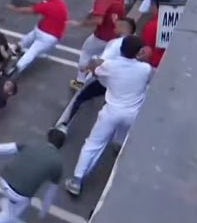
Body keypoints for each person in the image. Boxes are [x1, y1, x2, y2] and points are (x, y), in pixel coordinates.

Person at [65, 35, 153, 196]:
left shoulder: (110, 66)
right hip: (133, 113)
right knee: (123, 136)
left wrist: (96, 62)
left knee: (93, 144)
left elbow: (93, 68)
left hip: (112, 111)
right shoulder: (145, 69)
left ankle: (77, 180)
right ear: (138, 52)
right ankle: (118, 146)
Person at [48, 17, 137, 145]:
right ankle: (118, 140)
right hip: (120, 84)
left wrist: (86, 67)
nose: (114, 28)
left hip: (103, 80)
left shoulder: (115, 44)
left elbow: (99, 62)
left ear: (124, 28)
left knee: (79, 98)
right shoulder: (135, 44)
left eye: (117, 26)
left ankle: (62, 126)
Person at [0, 136, 63, 223]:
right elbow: (51, 193)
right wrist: (43, 211)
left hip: (3, 180)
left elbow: (9, 147)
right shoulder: (57, 163)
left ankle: (9, 206)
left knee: (22, 205)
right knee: (10, 216)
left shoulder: (34, 143)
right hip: (19, 195)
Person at [69, 0, 125, 89]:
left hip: (102, 36)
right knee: (106, 59)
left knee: (86, 52)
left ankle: (80, 81)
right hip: (116, 35)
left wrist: (80, 24)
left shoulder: (102, 1)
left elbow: (98, 20)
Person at [6, 0, 69, 77]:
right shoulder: (61, 3)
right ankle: (18, 47)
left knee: (32, 51)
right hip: (52, 36)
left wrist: (15, 9)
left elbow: (30, 10)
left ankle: (16, 67)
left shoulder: (45, 4)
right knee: (31, 36)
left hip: (44, 35)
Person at [141, 0, 170, 69]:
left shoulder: (152, 25)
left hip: (153, 63)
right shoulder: (174, 23)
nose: (150, 8)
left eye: (152, 5)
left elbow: (147, 48)